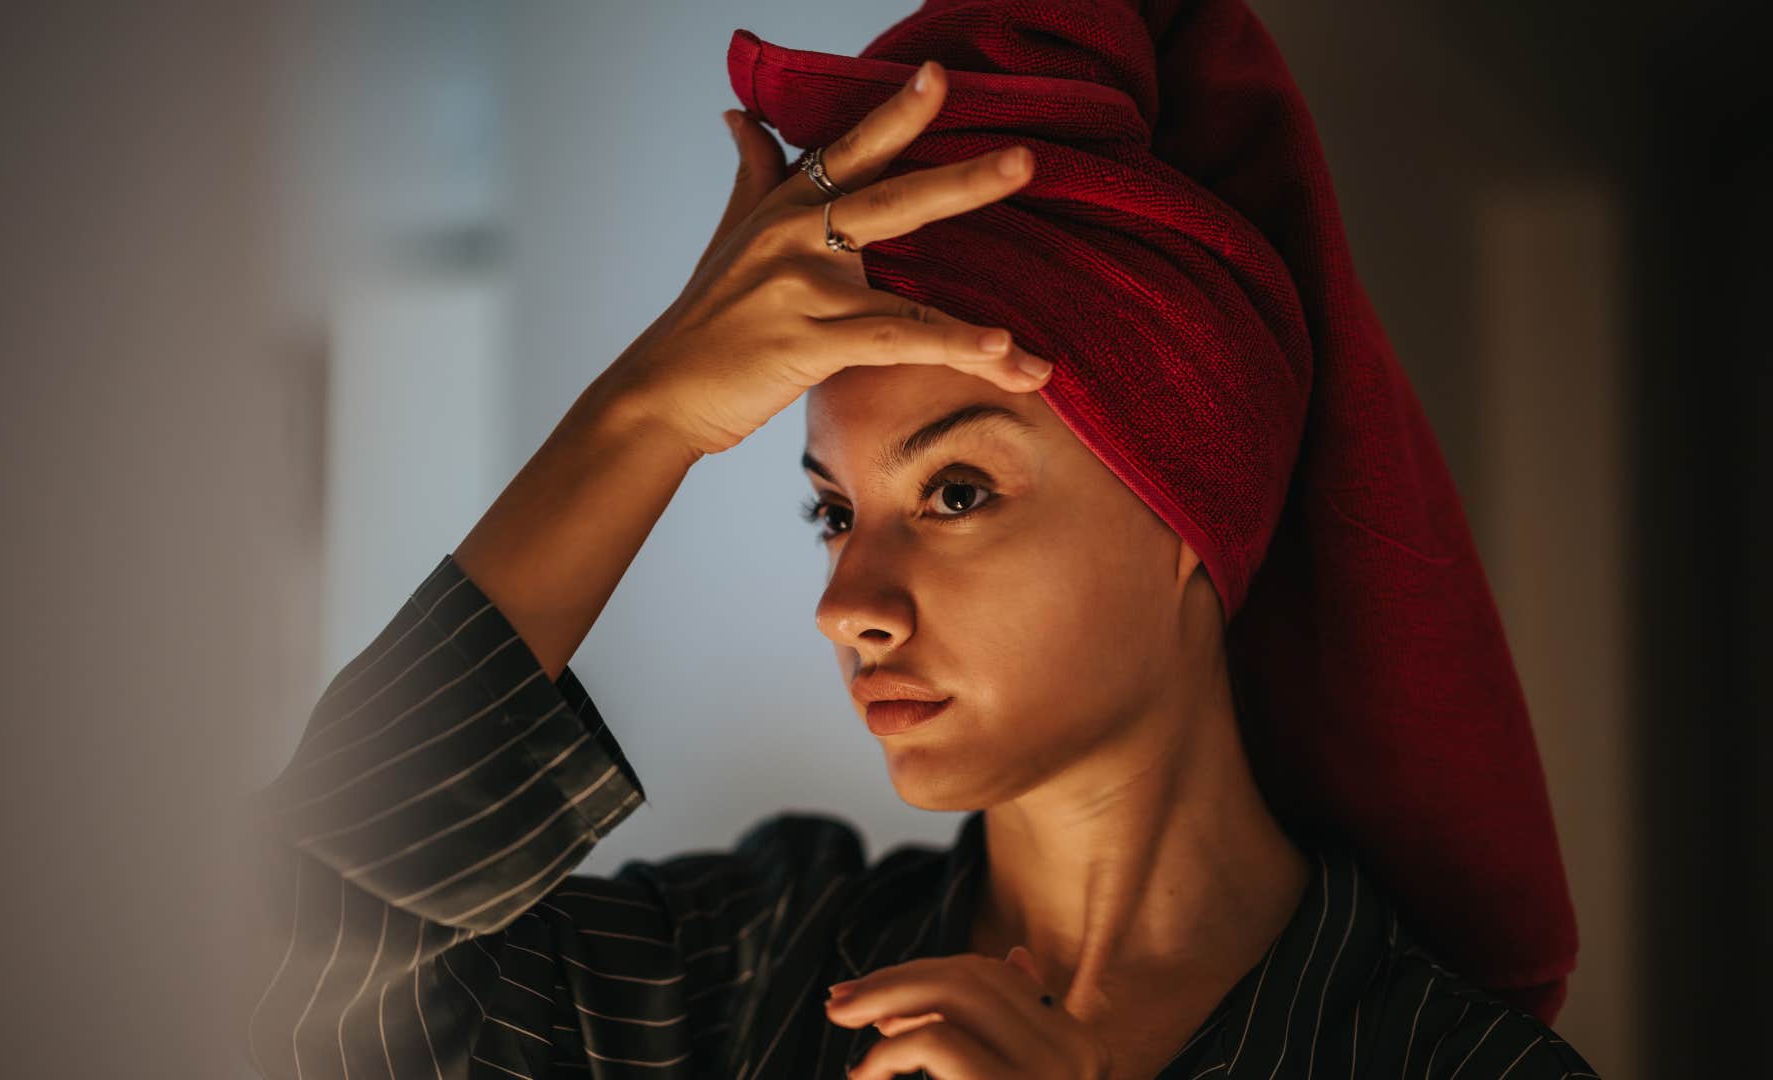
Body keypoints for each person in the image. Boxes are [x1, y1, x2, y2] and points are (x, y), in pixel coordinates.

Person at [243, 3, 1601, 1078]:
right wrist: (646, 413)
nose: (847, 604)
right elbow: (278, 969)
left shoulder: (1453, 1067)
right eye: (832, 511)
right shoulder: (750, 978)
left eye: (955, 490)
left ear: (1196, 514)